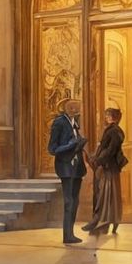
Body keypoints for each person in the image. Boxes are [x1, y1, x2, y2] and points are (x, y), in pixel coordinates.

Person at [47, 98, 87, 245]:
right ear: (66, 108)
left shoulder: (74, 122)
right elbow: (52, 149)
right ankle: (67, 235)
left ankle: (71, 234)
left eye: (77, 108)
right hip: (65, 166)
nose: (76, 110)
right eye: (72, 108)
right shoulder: (59, 122)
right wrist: (70, 145)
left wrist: (80, 143)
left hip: (77, 167)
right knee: (69, 201)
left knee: (75, 201)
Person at [84, 106, 127, 237]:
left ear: (115, 117)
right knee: (106, 195)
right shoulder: (112, 130)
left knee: (106, 196)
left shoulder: (114, 131)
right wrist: (95, 157)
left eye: (110, 115)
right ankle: (101, 222)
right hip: (107, 166)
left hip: (109, 167)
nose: (107, 117)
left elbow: (110, 150)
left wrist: (98, 161)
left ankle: (102, 223)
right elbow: (104, 149)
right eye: (107, 115)